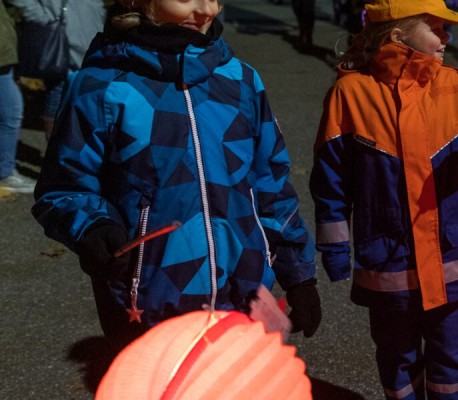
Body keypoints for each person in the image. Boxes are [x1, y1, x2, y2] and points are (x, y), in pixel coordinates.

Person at [32, 0, 321, 349]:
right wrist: (92, 226)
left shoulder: (241, 80)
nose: (207, 10)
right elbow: (63, 188)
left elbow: (271, 184)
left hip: (242, 302)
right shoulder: (100, 86)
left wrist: (298, 274)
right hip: (146, 307)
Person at [311, 0, 458, 398]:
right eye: (436, 27)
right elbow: (331, 179)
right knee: (396, 358)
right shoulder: (350, 93)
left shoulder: (453, 83)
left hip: (448, 259)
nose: (446, 37)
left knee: (449, 360)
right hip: (389, 261)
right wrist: (335, 250)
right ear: (399, 35)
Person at [9, 0, 104, 137]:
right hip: (63, 41)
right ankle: (56, 146)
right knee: (59, 94)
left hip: (91, 35)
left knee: (91, 99)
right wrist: (42, 16)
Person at [0, 3, 34, 194]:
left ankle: (5, 170)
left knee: (10, 112)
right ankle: (5, 172)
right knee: (11, 112)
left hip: (4, 58)